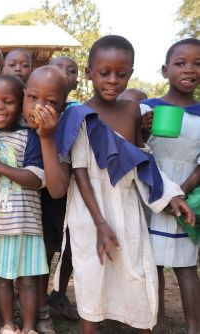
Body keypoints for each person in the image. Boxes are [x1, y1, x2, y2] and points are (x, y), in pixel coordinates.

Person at [53, 35, 194, 333]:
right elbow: (80, 173)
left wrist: (172, 196)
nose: (113, 80)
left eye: (122, 73)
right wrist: (100, 223)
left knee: (136, 274)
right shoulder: (78, 115)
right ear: (89, 72)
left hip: (128, 207)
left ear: (131, 73)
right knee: (91, 275)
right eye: (104, 73)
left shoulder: (132, 111)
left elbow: (141, 162)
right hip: (89, 210)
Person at [0, 74, 48, 334]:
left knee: (28, 280)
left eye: (7, 102)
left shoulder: (29, 135)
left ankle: (29, 327)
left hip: (26, 223)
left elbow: (35, 179)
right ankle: (8, 324)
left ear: (20, 104)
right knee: (3, 280)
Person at [140, 38, 200, 334]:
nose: (189, 69)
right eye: (180, 63)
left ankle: (193, 328)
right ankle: (157, 324)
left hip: (186, 194)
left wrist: (183, 190)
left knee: (187, 266)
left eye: (197, 64)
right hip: (152, 193)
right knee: (153, 266)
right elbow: (137, 148)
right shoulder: (146, 108)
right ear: (165, 70)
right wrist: (142, 128)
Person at [36, 56, 80, 334]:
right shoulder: (35, 108)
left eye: (71, 70)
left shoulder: (78, 113)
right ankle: (40, 302)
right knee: (47, 246)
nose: (64, 73)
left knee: (71, 248)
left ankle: (59, 292)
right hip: (42, 192)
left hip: (71, 193)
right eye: (57, 68)